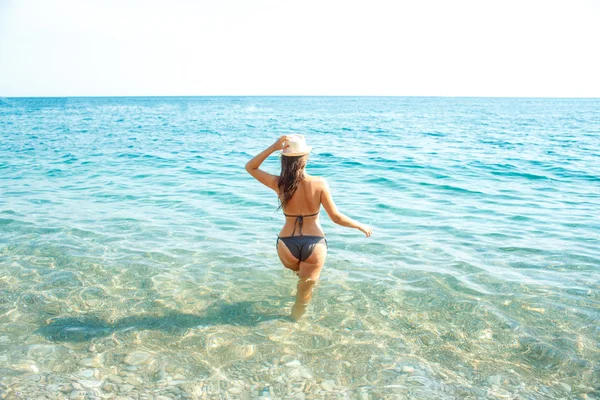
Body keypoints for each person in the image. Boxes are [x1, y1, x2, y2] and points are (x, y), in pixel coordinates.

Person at [245, 134, 372, 321]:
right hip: (314, 244)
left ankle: (300, 283)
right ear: (305, 158)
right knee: (303, 295)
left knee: (300, 275)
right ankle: (293, 324)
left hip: (286, 245)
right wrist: (359, 225)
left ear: (285, 160)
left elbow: (250, 167)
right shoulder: (319, 183)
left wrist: (273, 147)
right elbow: (336, 218)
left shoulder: (280, 184)